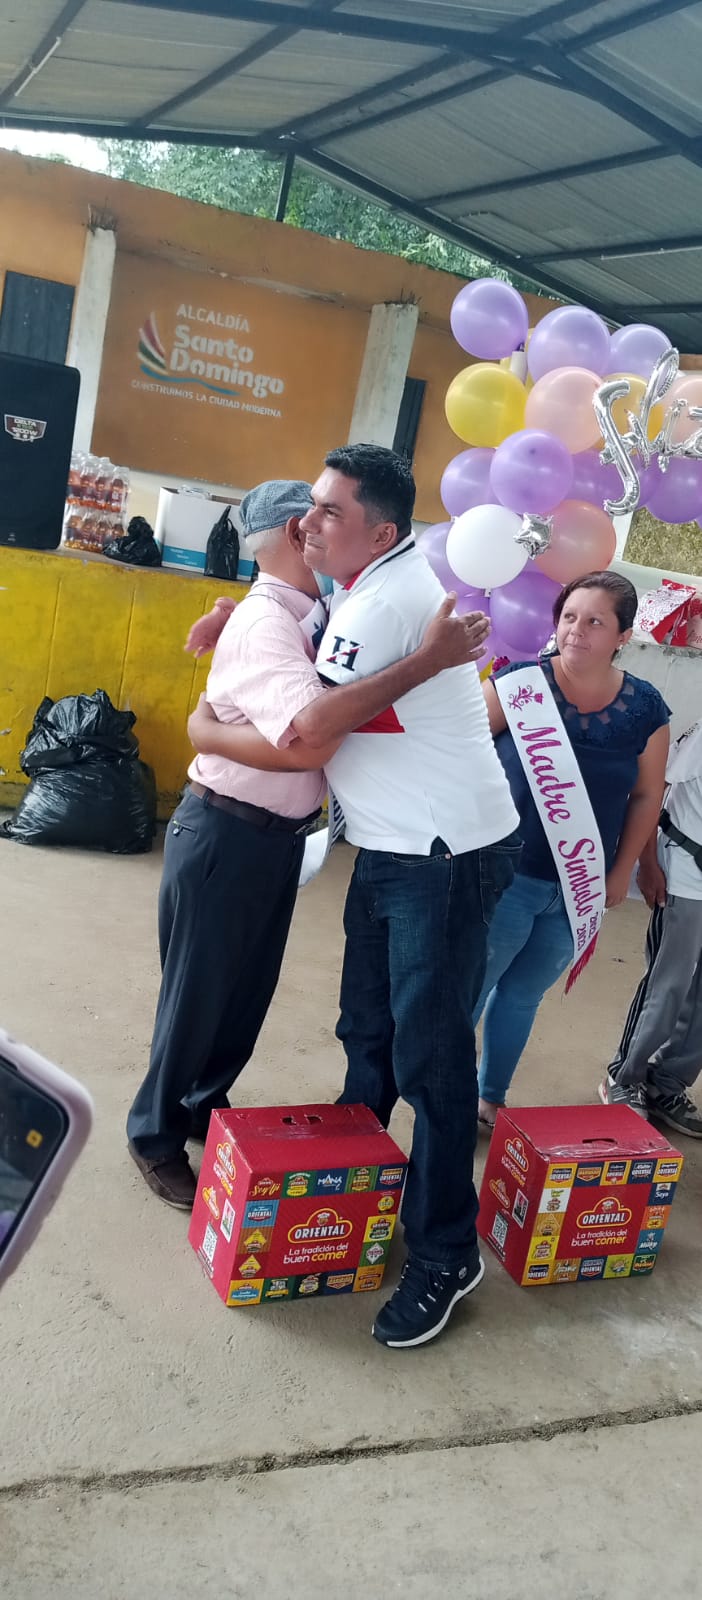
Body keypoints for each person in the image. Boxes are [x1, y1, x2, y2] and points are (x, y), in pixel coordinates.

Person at [189, 443, 521, 1350]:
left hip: (441, 855)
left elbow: (307, 729)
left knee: (431, 1060)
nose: (307, 522)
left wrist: (200, 728)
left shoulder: (385, 602)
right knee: (366, 1033)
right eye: (310, 505)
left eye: (330, 510)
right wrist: (236, 617)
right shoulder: (364, 585)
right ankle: (354, 1194)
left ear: (381, 532)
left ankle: (446, 1251)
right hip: (393, 844)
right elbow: (313, 633)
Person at [127, 477, 490, 1208]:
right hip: (227, 831)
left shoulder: (312, 609)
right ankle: (155, 1135)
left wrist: (224, 619)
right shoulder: (268, 623)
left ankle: (201, 1106)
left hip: (274, 839)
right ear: (298, 533)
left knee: (244, 995)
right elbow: (307, 741)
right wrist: (205, 728)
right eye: (318, 517)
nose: (325, 530)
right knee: (197, 998)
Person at [475, 570, 670, 1129]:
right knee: (471, 987)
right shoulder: (518, 686)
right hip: (503, 876)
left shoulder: (646, 708)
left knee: (522, 995)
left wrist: (623, 870)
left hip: (577, 886)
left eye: (595, 622)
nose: (576, 630)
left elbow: (647, 794)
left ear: (623, 636)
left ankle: (490, 1097)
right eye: (568, 617)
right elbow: (460, 753)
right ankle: (443, 1095)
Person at [600, 716, 702, 1135]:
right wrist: (647, 862)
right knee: (668, 984)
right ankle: (624, 1076)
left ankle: (667, 1084)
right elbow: (653, 785)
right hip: (687, 872)